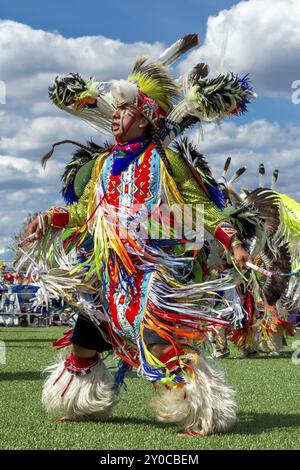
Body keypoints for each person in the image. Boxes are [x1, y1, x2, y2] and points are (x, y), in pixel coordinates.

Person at [22, 35, 256, 435]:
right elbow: (83, 211)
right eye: (114, 110)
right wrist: (49, 219)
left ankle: (201, 412)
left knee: (161, 343)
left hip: (152, 271)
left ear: (145, 116)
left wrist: (231, 241)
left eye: (124, 110)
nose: (114, 116)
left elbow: (203, 209)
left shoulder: (166, 161)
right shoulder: (103, 165)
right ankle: (81, 403)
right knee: (84, 341)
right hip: (107, 271)